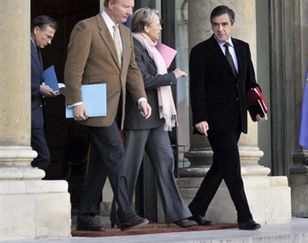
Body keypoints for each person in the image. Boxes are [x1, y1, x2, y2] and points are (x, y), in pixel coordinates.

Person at [64, 0, 152, 231]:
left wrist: (141, 98)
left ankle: (86, 215)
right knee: (116, 151)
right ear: (110, 4)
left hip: (117, 107)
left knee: (101, 162)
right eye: (125, 6)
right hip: (93, 106)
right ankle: (125, 214)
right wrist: (76, 101)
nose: (130, 12)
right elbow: (74, 68)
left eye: (131, 7)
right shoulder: (86, 27)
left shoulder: (125, 33)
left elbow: (131, 68)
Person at [110, 7, 197, 228]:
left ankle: (177, 214)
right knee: (129, 168)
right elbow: (144, 80)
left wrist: (166, 75)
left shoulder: (152, 48)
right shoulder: (134, 46)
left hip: (156, 117)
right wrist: (172, 76)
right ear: (147, 27)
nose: (161, 27)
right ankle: (121, 214)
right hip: (139, 116)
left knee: (166, 162)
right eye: (157, 23)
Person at [188, 5, 265, 230]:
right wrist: (199, 118)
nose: (220, 29)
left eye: (224, 24)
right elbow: (197, 89)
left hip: (236, 119)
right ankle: (244, 216)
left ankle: (195, 210)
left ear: (232, 25)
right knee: (232, 167)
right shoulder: (200, 51)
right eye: (215, 25)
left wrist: (256, 109)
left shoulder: (243, 48)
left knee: (220, 167)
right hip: (214, 120)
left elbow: (250, 82)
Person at [31, 15, 59, 173]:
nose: (49, 42)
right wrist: (38, 88)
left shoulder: (36, 49)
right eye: (48, 36)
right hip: (27, 114)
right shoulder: (22, 48)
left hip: (36, 111)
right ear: (36, 30)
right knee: (43, 157)